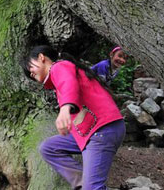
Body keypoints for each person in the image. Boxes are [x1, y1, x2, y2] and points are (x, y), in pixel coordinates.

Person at [22, 45, 125, 190]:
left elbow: (67, 83)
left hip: (102, 129)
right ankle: (82, 183)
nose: (30, 74)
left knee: (93, 188)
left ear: (41, 57)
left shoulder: (59, 67)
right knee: (49, 148)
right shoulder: (60, 78)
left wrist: (65, 108)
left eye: (30, 68)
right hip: (90, 133)